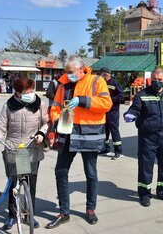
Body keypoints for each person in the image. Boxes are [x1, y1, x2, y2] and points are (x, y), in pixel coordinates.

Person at [46, 55, 112, 228]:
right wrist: (56, 117)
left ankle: (90, 210)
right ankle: (64, 212)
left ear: (81, 68)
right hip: (68, 133)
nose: (67, 75)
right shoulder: (63, 84)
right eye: (65, 72)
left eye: (70, 71)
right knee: (61, 171)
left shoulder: (97, 81)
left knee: (91, 173)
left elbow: (106, 104)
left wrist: (82, 100)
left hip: (89, 133)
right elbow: (55, 106)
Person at [0, 78, 48, 230]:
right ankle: (12, 215)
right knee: (13, 183)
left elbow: (46, 122)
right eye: (27, 92)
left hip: (32, 148)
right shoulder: (9, 105)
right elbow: (1, 127)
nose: (31, 94)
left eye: (32, 91)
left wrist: (42, 133)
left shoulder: (39, 104)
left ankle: (29, 215)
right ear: (17, 93)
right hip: (13, 148)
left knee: (31, 183)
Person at [124, 67, 163, 207]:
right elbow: (135, 109)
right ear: (151, 79)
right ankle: (144, 194)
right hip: (148, 137)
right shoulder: (142, 95)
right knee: (145, 167)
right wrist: (130, 114)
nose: (157, 82)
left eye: (160, 80)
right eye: (155, 79)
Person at [98, 67, 124, 160]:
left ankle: (119, 151)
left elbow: (121, 96)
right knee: (104, 131)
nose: (99, 76)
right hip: (103, 111)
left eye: (100, 74)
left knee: (114, 131)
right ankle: (105, 149)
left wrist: (110, 100)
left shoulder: (114, 83)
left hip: (113, 112)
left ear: (105, 74)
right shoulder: (101, 83)